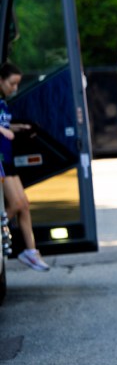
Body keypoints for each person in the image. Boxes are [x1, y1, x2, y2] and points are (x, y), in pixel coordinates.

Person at [0, 62, 50, 272]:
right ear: (0, 80)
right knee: (17, 204)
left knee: (25, 204)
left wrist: (14, 127)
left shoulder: (3, 103)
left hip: (8, 158)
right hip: (1, 159)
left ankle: (30, 252)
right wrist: (3, 132)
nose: (15, 89)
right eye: (12, 84)